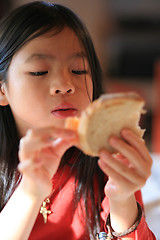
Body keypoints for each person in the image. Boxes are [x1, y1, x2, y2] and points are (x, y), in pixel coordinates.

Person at [0, 1, 156, 240]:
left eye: (79, 70)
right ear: (2, 90)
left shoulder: (108, 161)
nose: (65, 85)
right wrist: (31, 192)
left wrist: (122, 199)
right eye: (39, 71)